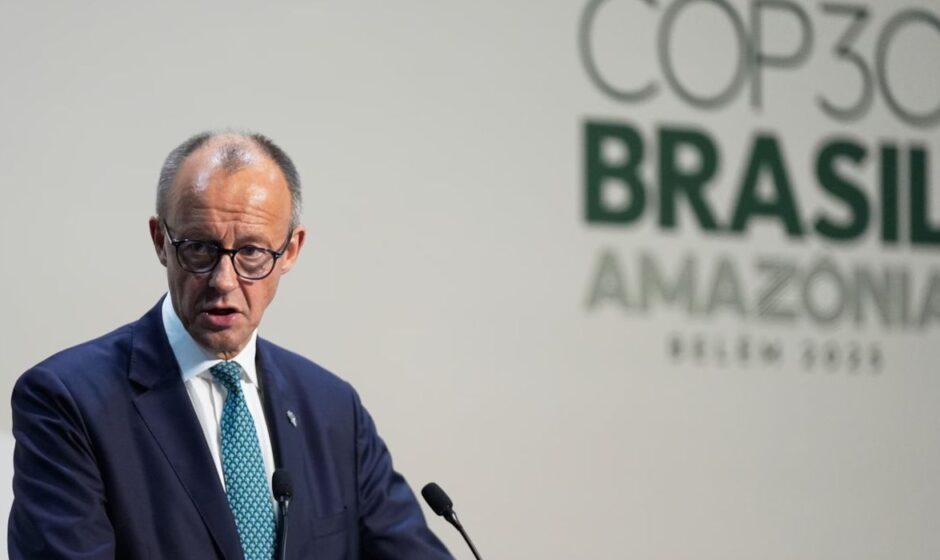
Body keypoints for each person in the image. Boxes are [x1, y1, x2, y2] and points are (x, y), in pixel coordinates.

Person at [9, 131, 453, 560]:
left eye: (252, 252)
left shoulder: (333, 409)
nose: (224, 281)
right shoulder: (68, 401)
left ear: (291, 250)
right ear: (161, 241)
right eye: (200, 248)